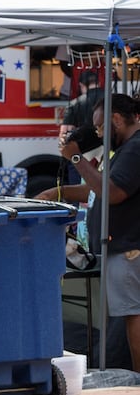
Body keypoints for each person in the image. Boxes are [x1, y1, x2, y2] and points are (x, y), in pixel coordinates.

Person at [62, 91, 140, 369]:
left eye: (100, 126)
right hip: (124, 246)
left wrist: (76, 159)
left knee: (133, 316)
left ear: (117, 119)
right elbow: (99, 186)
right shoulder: (124, 149)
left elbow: (113, 192)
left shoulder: (134, 148)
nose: (98, 133)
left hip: (129, 248)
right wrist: (60, 190)